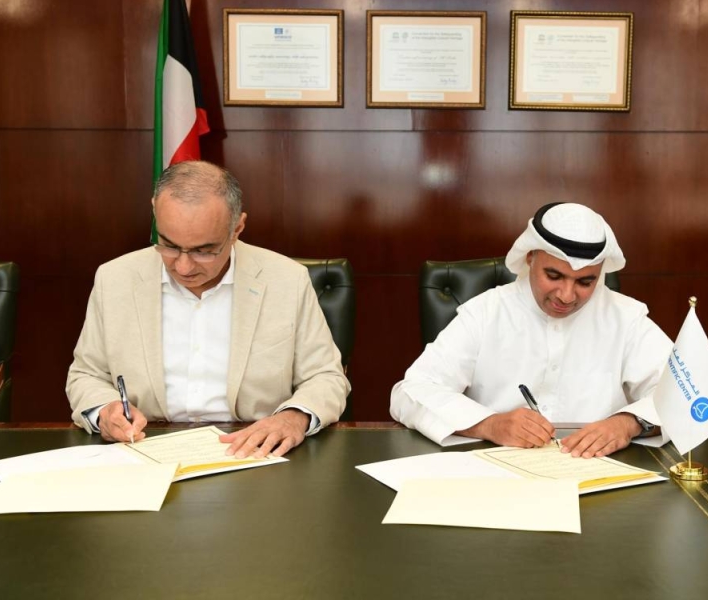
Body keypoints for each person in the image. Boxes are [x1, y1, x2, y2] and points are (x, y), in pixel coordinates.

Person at [66, 161, 350, 457]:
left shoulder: (286, 280)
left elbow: (326, 376)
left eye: (203, 251)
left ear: (237, 228)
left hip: (253, 452)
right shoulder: (114, 279)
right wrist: (105, 410)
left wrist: (293, 418)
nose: (183, 266)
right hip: (145, 449)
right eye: (168, 245)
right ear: (154, 213)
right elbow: (86, 374)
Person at [390, 202, 673, 458]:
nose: (566, 295)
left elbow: (684, 394)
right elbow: (409, 393)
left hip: (597, 472)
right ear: (530, 258)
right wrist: (489, 424)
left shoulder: (626, 317)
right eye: (554, 275)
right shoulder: (486, 312)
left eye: (585, 282)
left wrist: (629, 423)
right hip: (495, 471)